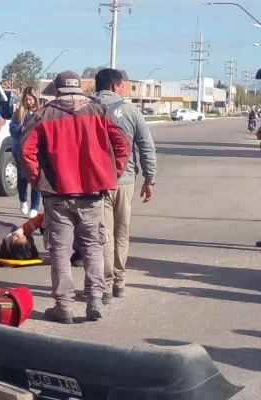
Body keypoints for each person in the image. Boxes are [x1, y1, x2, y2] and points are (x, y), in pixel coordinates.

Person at [19, 70, 131, 324]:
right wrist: (111, 173)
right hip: (92, 192)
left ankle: (64, 307)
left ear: (57, 91)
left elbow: (26, 152)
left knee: (60, 249)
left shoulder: (43, 115)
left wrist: (38, 180)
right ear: (79, 89)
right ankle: (94, 298)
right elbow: (123, 144)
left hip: (56, 193)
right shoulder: (100, 113)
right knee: (93, 246)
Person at [92, 68, 158, 304]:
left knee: (103, 234)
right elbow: (146, 147)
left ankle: (106, 286)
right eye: (122, 85)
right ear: (114, 86)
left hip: (96, 183)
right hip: (125, 181)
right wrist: (149, 180)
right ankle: (119, 281)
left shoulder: (88, 109)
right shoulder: (131, 111)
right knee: (121, 231)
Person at [10, 87, 41, 218]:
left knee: (36, 179)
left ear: (35, 99)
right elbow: (12, 129)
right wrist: (21, 128)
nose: (28, 102)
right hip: (21, 151)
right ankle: (23, 200)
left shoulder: (41, 113)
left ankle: (34, 206)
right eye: (26, 99)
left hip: (37, 152)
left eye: (30, 99)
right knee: (22, 179)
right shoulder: (19, 113)